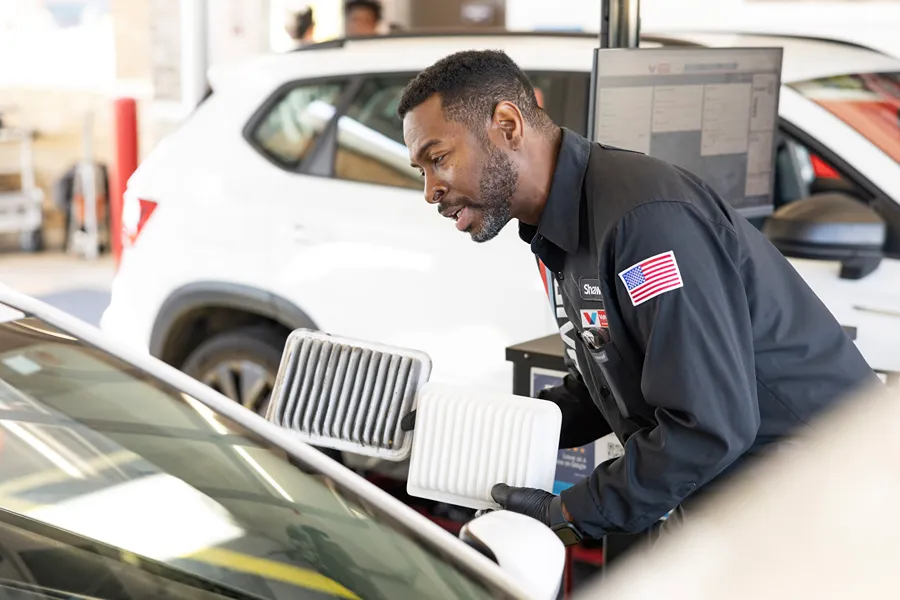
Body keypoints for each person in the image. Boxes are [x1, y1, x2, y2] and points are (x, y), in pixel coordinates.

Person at [396, 50, 880, 545]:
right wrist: (482, 431)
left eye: (438, 158)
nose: (431, 190)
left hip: (824, 498)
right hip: (749, 489)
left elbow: (708, 425)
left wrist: (567, 512)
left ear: (507, 124)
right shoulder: (564, 226)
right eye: (421, 171)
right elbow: (606, 383)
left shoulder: (643, 220)